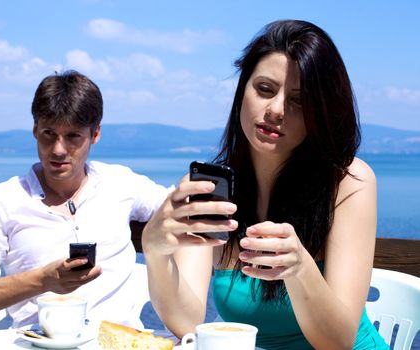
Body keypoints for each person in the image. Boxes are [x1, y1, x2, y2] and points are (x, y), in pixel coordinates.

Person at [142, 20, 388, 349]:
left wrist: (300, 267)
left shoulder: (348, 182)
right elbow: (187, 322)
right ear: (242, 90)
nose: (275, 110)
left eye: (298, 101)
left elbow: (338, 341)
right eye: (265, 89)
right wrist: (155, 250)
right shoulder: (212, 189)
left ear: (322, 113)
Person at [0, 70, 169, 329]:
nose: (59, 149)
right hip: (38, 344)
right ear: (35, 130)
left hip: (119, 342)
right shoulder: (0, 202)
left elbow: (181, 208)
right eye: (49, 134)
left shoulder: (121, 183)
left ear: (95, 135)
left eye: (73, 136)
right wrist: (43, 281)